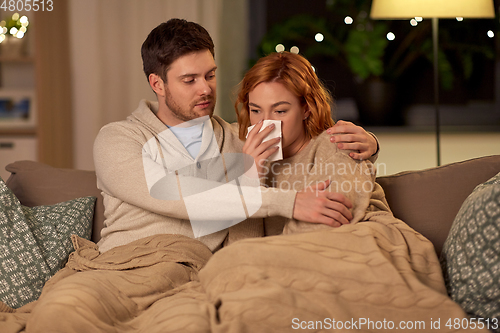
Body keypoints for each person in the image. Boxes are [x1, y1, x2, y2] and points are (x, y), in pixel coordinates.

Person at [93, 18, 380, 253]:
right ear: (157, 83)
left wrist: (368, 144)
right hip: (123, 263)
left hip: (196, 274)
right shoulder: (119, 139)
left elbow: (301, 151)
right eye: (189, 80)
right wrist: (289, 201)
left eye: (210, 75)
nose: (205, 89)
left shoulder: (239, 139)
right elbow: (172, 195)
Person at [235, 51, 389, 235]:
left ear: (306, 109)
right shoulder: (249, 158)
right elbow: (242, 247)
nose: (266, 124)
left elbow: (328, 224)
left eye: (280, 111)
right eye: (256, 110)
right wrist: (250, 180)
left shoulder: (333, 145)